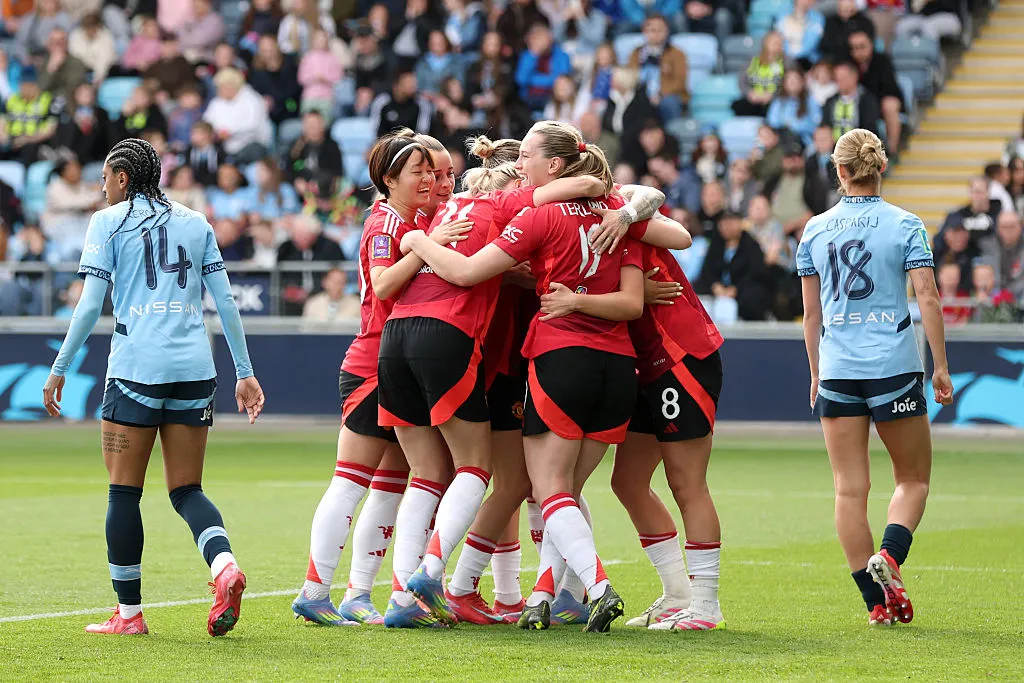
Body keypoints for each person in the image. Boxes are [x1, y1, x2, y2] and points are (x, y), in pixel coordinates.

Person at [400, 121, 687, 633]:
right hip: (618, 365)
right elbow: (663, 251)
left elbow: (469, 272)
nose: (523, 171)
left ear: (552, 166)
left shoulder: (533, 215)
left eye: (530, 157)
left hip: (555, 357)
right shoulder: (612, 216)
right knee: (562, 491)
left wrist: (419, 239)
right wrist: (623, 212)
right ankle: (543, 594)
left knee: (543, 487)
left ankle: (576, 587)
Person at [378, 135, 609, 627]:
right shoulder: (506, 204)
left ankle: (402, 597)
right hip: (453, 337)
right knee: (480, 468)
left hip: (394, 336)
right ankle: (436, 575)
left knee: (425, 473)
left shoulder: (439, 212)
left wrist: (417, 241)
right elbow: (588, 182)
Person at [42, 137, 265, 637]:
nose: (101, 189)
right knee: (187, 489)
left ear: (123, 177)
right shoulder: (196, 222)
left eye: (105, 179)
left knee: (124, 493)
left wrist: (59, 366)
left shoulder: (107, 223)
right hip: (195, 370)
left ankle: (129, 615)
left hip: (136, 370)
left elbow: (88, 305)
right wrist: (245, 372)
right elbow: (225, 303)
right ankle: (224, 567)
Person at [289, 134, 468, 626]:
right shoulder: (386, 221)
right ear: (388, 179)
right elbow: (385, 282)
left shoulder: (413, 220)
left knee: (390, 484)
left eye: (433, 171)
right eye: (418, 171)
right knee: (351, 480)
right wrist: (427, 250)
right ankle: (314, 589)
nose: (429, 179)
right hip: (373, 361)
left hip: (394, 361)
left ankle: (356, 594)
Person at [797, 128, 953, 626]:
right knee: (912, 479)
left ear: (839, 172)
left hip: (839, 370)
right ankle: (889, 556)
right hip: (893, 367)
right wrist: (941, 367)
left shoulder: (814, 230)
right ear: (879, 167)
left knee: (849, 490)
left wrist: (817, 373)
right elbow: (927, 297)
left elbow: (810, 316)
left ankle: (875, 604)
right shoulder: (907, 224)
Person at [627, 14, 689, 123]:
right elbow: (630, 76)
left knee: (669, 102)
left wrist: (659, 94)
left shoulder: (676, 53)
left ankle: (673, 134)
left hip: (666, 96)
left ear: (667, 32)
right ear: (644, 32)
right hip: (641, 93)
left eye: (660, 30)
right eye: (652, 30)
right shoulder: (636, 53)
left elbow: (679, 81)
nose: (655, 34)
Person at [823, 61, 882, 143]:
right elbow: (825, 126)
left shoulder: (867, 100)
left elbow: (869, 127)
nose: (839, 81)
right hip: (834, 149)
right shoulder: (830, 101)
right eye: (837, 78)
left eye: (843, 77)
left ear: (854, 77)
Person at [732, 31, 785, 117]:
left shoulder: (787, 63)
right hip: (753, 99)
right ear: (765, 43)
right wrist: (750, 93)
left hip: (775, 101)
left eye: (779, 43)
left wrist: (773, 95)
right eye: (773, 42)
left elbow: (792, 83)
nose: (776, 45)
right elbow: (742, 82)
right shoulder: (752, 61)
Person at [765, 68, 822, 148]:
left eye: (795, 79)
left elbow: (816, 125)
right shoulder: (778, 101)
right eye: (789, 79)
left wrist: (795, 125)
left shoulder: (811, 101)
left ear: (802, 82)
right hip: (781, 141)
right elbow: (772, 123)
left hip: (804, 142)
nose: (792, 82)